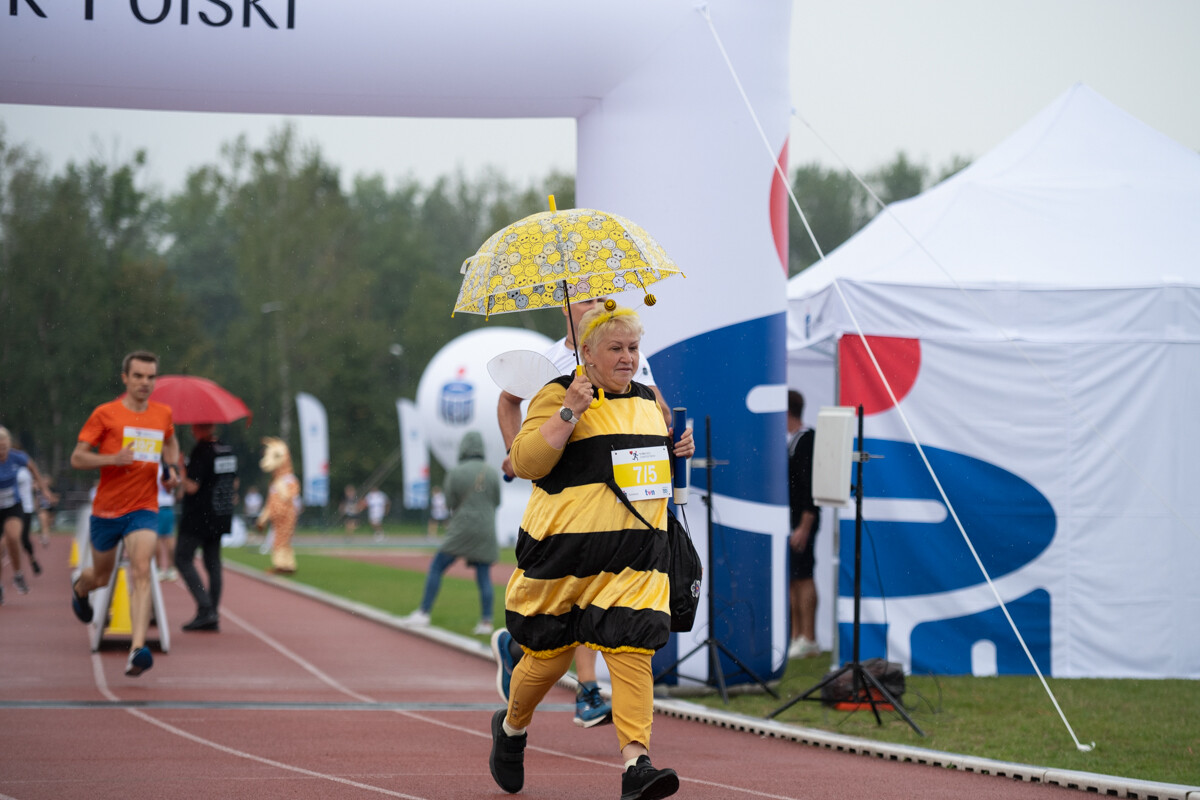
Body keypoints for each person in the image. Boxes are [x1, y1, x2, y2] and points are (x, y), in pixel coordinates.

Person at [487, 303, 694, 800]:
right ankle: (512, 729)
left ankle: (636, 764)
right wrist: (569, 412)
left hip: (632, 559)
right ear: (587, 354)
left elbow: (637, 466)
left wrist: (674, 449)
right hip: (563, 560)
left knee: (632, 652)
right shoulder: (557, 394)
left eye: (633, 348)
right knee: (547, 660)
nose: (628, 358)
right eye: (616, 349)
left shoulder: (646, 401)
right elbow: (526, 461)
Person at [69, 351, 182, 676]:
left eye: (150, 377)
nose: (145, 383)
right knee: (101, 577)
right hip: (106, 511)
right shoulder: (105, 414)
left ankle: (137, 649)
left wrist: (170, 469)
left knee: (142, 569)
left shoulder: (162, 414)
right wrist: (112, 459)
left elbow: (171, 444)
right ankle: (80, 588)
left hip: (144, 507)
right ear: (125, 378)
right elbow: (78, 458)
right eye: (138, 376)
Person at [400, 431, 500, 636]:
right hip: (486, 528)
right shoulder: (491, 472)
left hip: (462, 528)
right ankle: (486, 622)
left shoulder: (455, 472)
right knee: (483, 575)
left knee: (438, 565)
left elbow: (450, 503)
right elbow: (497, 501)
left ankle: (424, 612)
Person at [175, 423, 238, 632]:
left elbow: (192, 486)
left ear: (197, 428)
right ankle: (212, 613)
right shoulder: (227, 449)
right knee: (213, 563)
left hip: (198, 516)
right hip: (220, 513)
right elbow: (234, 483)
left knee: (182, 558)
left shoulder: (201, 450)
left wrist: (181, 470)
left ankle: (205, 608)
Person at [0, 426, 56, 604]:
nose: (2, 451)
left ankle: (18, 574)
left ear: (9, 445)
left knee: (13, 537)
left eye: (4, 447)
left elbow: (33, 469)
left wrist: (44, 489)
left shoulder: (17, 457)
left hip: (13, 505)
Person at [786, 390, 821, 660]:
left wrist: (804, 526)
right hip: (790, 520)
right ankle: (797, 634)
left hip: (803, 521)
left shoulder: (807, 440)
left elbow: (812, 487)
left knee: (804, 576)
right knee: (793, 579)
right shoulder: (790, 441)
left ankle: (809, 637)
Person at [256, 437, 299, 574]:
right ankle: (286, 565)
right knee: (279, 540)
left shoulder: (289, 480)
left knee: (282, 540)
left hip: (287, 516)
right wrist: (263, 518)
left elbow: (289, 496)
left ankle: (283, 565)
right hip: (276, 519)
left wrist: (281, 486)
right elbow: (270, 503)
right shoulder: (275, 482)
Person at [156, 455, 180, 582]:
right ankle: (171, 569)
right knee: (169, 539)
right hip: (169, 507)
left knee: (159, 540)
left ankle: (159, 569)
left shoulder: (155, 467)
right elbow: (176, 484)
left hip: (158, 506)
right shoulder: (171, 469)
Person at [16, 465, 41, 577]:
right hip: (9, 508)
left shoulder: (25, 471)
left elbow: (36, 485)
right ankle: (17, 569)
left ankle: (32, 559)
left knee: (23, 538)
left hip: (26, 509)